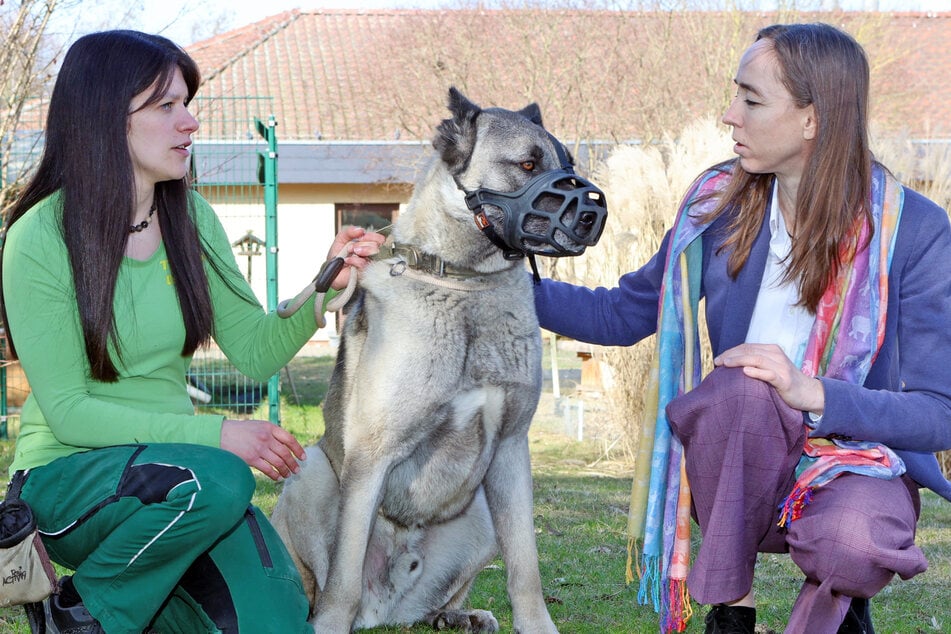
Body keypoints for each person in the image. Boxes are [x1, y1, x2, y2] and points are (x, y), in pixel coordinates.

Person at [534, 23, 951, 634]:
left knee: (854, 543)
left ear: (813, 118)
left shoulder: (913, 233)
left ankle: (835, 610)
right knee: (743, 389)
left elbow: (939, 412)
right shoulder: (718, 209)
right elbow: (619, 314)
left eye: (752, 100)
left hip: (858, 464)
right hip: (737, 464)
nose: (730, 116)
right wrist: (487, 284)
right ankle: (732, 609)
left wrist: (816, 394)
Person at [0, 30, 383, 633]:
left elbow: (256, 350)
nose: (191, 122)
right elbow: (70, 412)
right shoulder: (39, 238)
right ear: (105, 118)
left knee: (280, 622)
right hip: (67, 483)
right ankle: (79, 613)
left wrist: (322, 289)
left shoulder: (193, 220)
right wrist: (218, 434)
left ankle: (144, 607)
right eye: (166, 106)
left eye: (187, 102)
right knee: (218, 476)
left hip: (182, 494)